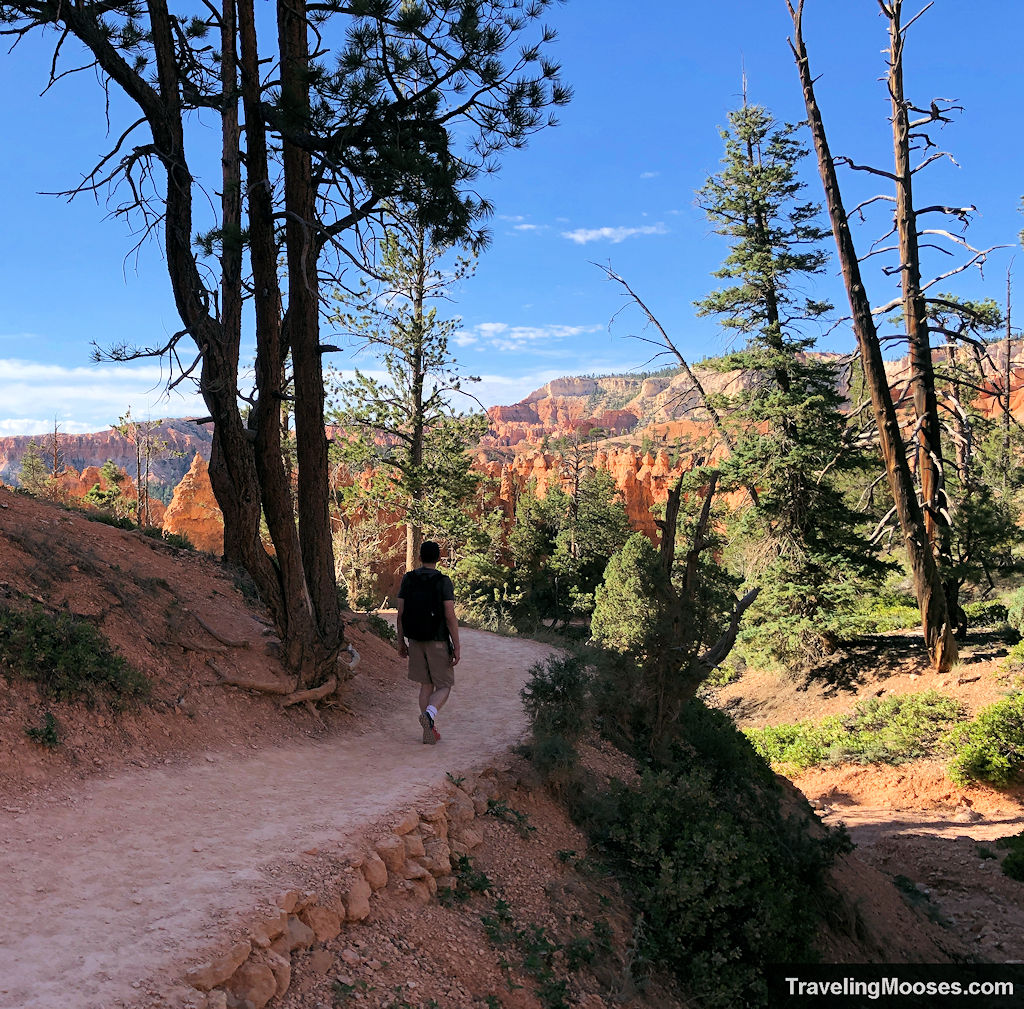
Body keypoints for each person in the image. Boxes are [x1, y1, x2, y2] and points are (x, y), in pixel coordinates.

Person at [396, 541, 461, 744]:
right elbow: (449, 615)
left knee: (426, 685)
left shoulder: (409, 579)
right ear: (439, 559)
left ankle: (430, 730)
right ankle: (430, 715)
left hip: (415, 639)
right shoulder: (443, 581)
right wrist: (456, 646)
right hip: (438, 640)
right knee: (444, 685)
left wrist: (400, 641)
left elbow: (400, 613)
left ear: (419, 558)